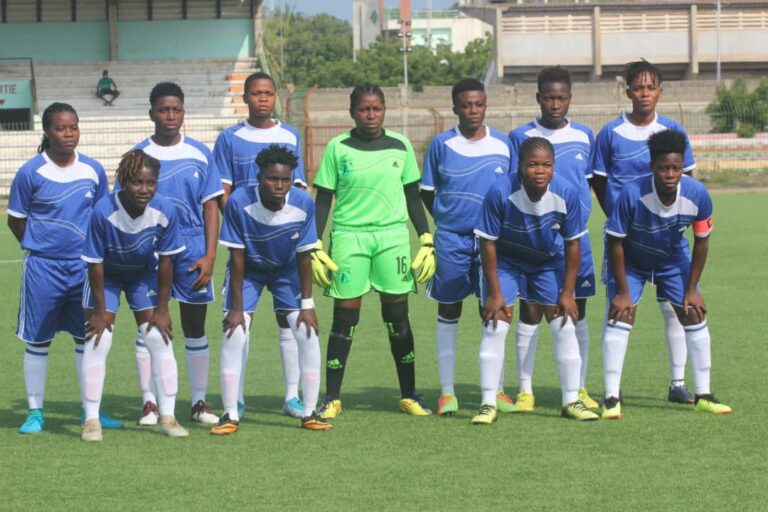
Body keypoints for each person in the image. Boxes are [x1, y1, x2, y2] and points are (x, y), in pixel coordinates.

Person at [312, 83, 436, 419]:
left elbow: (412, 195)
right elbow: (324, 198)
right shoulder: (338, 148)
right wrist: (315, 242)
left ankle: (409, 395)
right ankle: (332, 398)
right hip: (350, 237)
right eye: (364, 109)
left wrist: (426, 237)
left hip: (392, 238)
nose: (371, 115)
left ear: (385, 110)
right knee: (344, 319)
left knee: (398, 318)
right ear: (352, 111)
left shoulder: (400, 146)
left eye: (377, 108)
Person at [8, 102, 123, 435]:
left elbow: (102, 215)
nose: (69, 133)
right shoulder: (32, 172)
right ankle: (34, 412)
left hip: (84, 269)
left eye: (73, 127)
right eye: (61, 128)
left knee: (86, 339)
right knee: (37, 341)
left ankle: (91, 412)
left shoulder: (92, 170)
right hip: (43, 269)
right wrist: (39, 245)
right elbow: (16, 219)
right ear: (47, 131)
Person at [601, 129, 731, 419]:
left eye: (676, 167)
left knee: (694, 312)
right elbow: (615, 242)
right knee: (621, 314)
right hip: (631, 257)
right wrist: (622, 292)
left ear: (683, 166)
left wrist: (693, 287)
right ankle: (611, 397)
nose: (670, 174)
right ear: (652, 168)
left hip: (671, 257)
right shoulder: (631, 194)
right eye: (663, 168)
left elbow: (702, 241)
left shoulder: (698, 195)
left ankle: (704, 394)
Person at [471, 136, 599, 424]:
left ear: (553, 167)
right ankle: (488, 402)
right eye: (533, 165)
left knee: (564, 324)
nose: (540, 171)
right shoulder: (499, 191)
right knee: (496, 324)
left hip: (547, 263)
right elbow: (488, 243)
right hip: (505, 262)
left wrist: (568, 291)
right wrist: (493, 292)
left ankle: (571, 401)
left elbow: (573, 244)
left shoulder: (566, 192)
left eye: (546, 165)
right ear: (519, 167)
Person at [592, 59, 697, 404]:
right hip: (626, 240)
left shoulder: (673, 132)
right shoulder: (610, 133)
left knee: (673, 309)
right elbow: (600, 181)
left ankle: (678, 383)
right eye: (638, 87)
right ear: (628, 91)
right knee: (620, 308)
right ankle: (612, 391)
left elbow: (689, 182)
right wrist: (620, 221)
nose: (644, 93)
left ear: (660, 91)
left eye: (651, 87)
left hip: (667, 238)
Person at [210, 145, 331, 434]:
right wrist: (237, 309)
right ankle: (230, 414)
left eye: (285, 180)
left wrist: (307, 304)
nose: (279, 186)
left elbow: (304, 255)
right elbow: (236, 258)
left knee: (307, 331)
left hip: (286, 270)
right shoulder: (239, 201)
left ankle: (310, 411)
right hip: (248, 270)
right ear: (259, 177)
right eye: (272, 179)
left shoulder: (303, 202)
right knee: (234, 332)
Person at [126, 82, 223, 427]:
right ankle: (149, 403)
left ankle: (198, 402)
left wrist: (210, 255)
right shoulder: (138, 155)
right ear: (151, 112)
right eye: (164, 110)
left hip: (193, 248)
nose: (171, 116)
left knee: (194, 328)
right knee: (150, 329)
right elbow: (124, 205)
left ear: (184, 112)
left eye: (177, 109)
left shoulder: (199, 153)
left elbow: (210, 206)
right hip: (150, 252)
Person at [420, 78, 518, 416]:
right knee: (449, 309)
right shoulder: (441, 145)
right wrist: (449, 222)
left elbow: (513, 191)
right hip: (452, 240)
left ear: (486, 104)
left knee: (495, 309)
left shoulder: (504, 144)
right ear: (455, 107)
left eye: (478, 104)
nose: (472, 110)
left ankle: (497, 390)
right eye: (466, 105)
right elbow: (427, 192)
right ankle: (447, 392)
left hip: (495, 241)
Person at [212, 72, 307, 419]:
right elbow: (223, 189)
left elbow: (297, 191)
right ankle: (235, 398)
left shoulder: (290, 135)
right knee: (238, 320)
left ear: (275, 96)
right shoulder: (229, 138)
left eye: (268, 93)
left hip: (282, 246)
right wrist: (242, 226)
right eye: (256, 93)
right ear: (245, 97)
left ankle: (292, 397)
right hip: (245, 244)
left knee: (289, 321)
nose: (263, 99)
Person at [80, 149, 188, 441]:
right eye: (137, 183)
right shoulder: (103, 211)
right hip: (107, 278)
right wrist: (101, 311)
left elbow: (167, 262)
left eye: (150, 183)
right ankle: (91, 420)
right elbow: (95, 264)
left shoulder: (165, 210)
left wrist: (163, 309)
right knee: (99, 339)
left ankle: (168, 416)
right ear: (124, 181)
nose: (144, 189)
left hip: (142, 275)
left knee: (158, 337)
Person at [508, 66, 599, 413]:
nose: (555, 103)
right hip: (533, 239)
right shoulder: (520, 136)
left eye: (561, 97)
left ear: (570, 98)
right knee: (530, 310)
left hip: (574, 238)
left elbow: (587, 184)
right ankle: (526, 389)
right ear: (538, 98)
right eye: (549, 97)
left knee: (577, 310)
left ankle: (579, 386)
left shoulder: (584, 136)